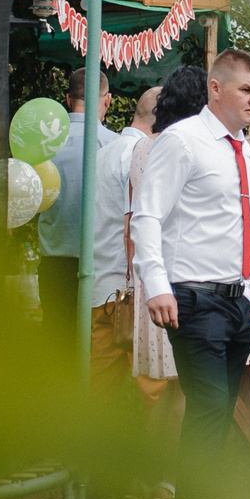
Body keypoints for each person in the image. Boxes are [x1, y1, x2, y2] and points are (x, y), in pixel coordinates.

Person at [131, 49, 250, 487]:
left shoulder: (244, 151)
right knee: (209, 411)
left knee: (217, 412)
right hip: (193, 298)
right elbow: (147, 214)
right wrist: (157, 284)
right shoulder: (182, 140)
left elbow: (237, 228)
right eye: (246, 89)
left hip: (235, 301)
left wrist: (246, 293)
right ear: (215, 88)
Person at [126, 71, 208, 434]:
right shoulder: (190, 146)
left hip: (151, 277)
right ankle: (167, 477)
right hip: (182, 275)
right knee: (187, 386)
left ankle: (151, 474)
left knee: (166, 386)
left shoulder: (143, 147)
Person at [86, 81, 158, 402]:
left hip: (97, 288)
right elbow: (135, 228)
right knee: (155, 392)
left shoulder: (102, 153)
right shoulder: (140, 154)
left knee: (96, 390)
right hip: (128, 295)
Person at [36, 67, 114, 324]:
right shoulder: (115, 145)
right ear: (107, 100)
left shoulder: (42, 145)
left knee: (56, 344)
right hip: (98, 266)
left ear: (68, 100)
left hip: (54, 264)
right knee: (97, 349)